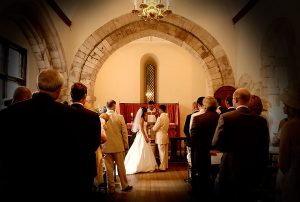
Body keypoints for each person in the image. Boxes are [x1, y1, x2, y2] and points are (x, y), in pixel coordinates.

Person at [0, 68, 86, 199]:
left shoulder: (10, 112)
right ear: (58, 91)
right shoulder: (71, 114)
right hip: (56, 184)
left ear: (37, 86)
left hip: (18, 182)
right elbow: (75, 151)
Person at [212, 88, 270, 202]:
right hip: (252, 166)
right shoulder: (261, 121)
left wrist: (228, 149)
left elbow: (216, 143)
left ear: (236, 99)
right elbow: (264, 147)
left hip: (230, 165)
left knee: (228, 195)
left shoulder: (226, 117)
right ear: (248, 100)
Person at [70, 82, 101, 195]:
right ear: (84, 97)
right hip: (86, 161)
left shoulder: (62, 112)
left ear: (71, 95)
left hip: (67, 161)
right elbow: (96, 141)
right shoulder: (92, 116)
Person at [190, 96, 220, 200]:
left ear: (205, 105)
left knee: (203, 177)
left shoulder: (197, 118)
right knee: (216, 176)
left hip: (201, 153)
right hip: (218, 152)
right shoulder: (222, 117)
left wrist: (206, 149)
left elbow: (193, 138)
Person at [102, 100, 132, 194]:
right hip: (118, 146)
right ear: (114, 106)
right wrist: (126, 145)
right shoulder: (120, 117)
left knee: (109, 169)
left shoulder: (101, 117)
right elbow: (124, 133)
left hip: (106, 146)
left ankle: (111, 188)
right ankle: (124, 185)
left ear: (107, 106)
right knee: (121, 167)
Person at [279, 86, 300, 202]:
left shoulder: (289, 126)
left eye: (286, 104)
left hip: (295, 177)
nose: (284, 106)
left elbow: (283, 163)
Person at [124, 107, 158, 174]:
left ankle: (145, 164)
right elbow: (142, 129)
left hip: (143, 134)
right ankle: (141, 165)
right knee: (141, 149)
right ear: (144, 112)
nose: (147, 113)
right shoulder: (142, 118)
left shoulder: (143, 118)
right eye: (146, 112)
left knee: (144, 149)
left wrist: (148, 126)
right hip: (142, 135)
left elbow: (144, 127)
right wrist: (145, 137)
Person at [183, 101, 199, 181]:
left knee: (190, 159)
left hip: (191, 141)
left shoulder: (190, 116)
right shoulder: (203, 115)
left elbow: (186, 130)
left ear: (194, 107)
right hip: (201, 143)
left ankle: (191, 176)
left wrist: (189, 137)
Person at [151, 104, 170, 171]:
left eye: (158, 109)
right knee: (165, 153)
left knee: (162, 153)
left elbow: (155, 128)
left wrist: (152, 127)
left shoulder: (160, 118)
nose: (158, 111)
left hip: (160, 137)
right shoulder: (167, 117)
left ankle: (162, 167)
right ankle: (166, 166)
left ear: (161, 110)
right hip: (165, 136)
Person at [95, 113, 108, 189]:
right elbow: (104, 137)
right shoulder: (102, 121)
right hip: (96, 147)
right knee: (98, 164)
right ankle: (99, 182)